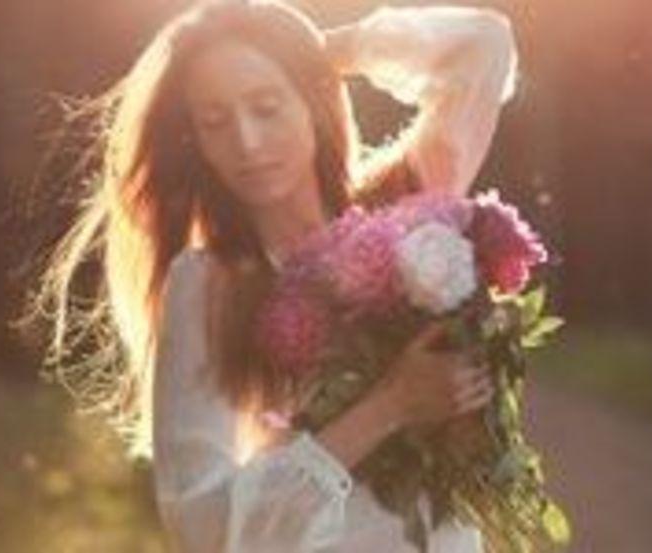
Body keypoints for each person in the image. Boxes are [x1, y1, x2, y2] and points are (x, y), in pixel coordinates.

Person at [29, 1, 519, 551]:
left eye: (266, 107)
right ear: (197, 142)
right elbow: (199, 523)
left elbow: (484, 45)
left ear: (312, 100)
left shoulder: (403, 207)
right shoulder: (210, 286)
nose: (247, 143)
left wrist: (328, 52)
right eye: (215, 122)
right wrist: (389, 406)